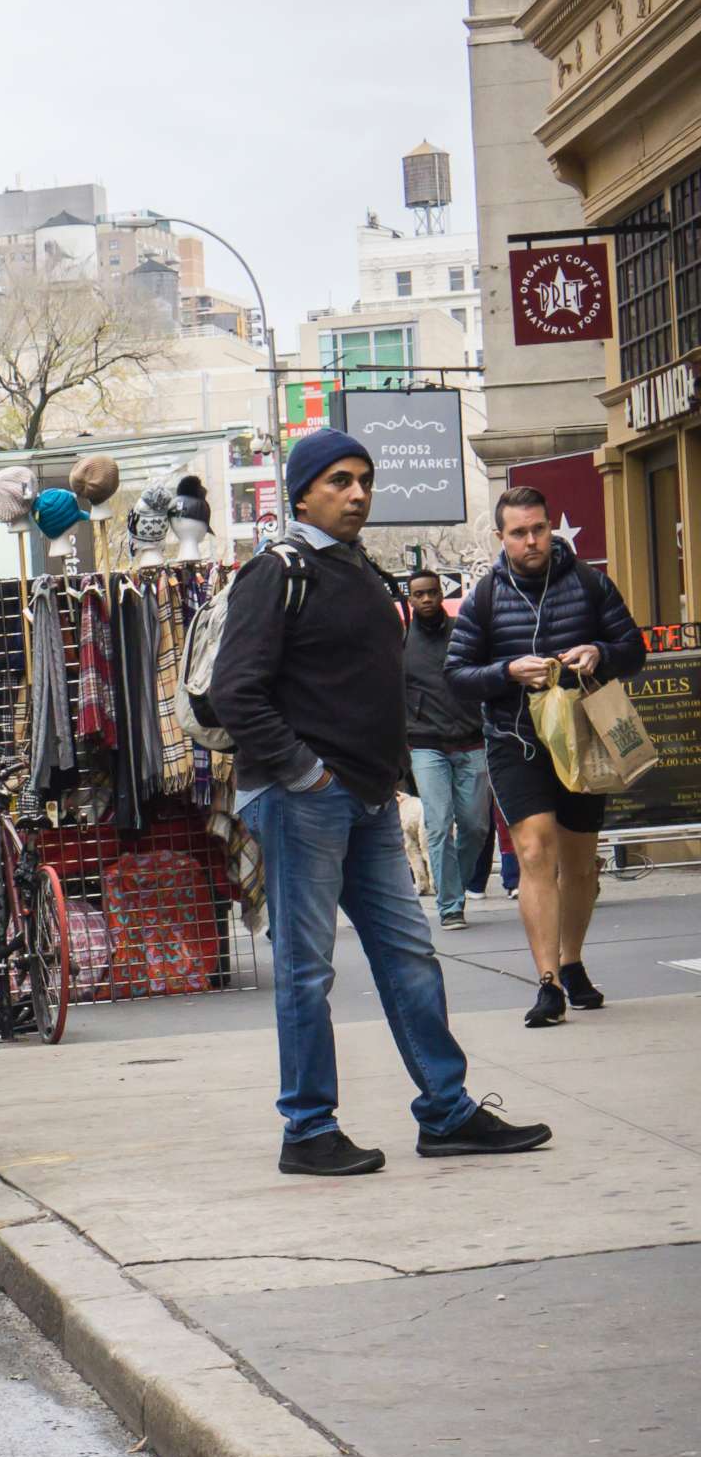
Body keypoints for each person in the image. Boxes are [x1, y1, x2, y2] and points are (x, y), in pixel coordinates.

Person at [207, 429, 551, 1176]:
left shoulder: (357, 566)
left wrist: (383, 774)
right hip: (304, 799)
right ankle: (306, 1129)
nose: (358, 492)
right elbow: (237, 689)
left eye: (364, 479)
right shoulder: (278, 572)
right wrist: (307, 773)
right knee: (306, 971)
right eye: (339, 480)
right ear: (302, 492)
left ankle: (448, 1112)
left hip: (364, 797)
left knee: (409, 955)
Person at [445, 484, 647, 1028]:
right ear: (500, 536)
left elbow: (634, 650)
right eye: (518, 533)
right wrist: (506, 671)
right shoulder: (484, 597)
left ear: (551, 527)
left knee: (580, 862)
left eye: (539, 529)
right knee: (535, 852)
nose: (531, 540)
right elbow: (457, 676)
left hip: (583, 739)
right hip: (516, 740)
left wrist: (598, 652)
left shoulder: (590, 583)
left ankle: (572, 960)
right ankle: (548, 983)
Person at [400, 570, 490, 932]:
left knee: (475, 826)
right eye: (419, 594)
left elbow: (486, 674)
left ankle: (456, 883)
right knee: (437, 825)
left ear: (441, 594)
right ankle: (450, 904)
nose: (426, 599)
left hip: (471, 739)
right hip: (425, 746)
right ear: (410, 599)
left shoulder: (464, 634)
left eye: (431, 593)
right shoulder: (401, 643)